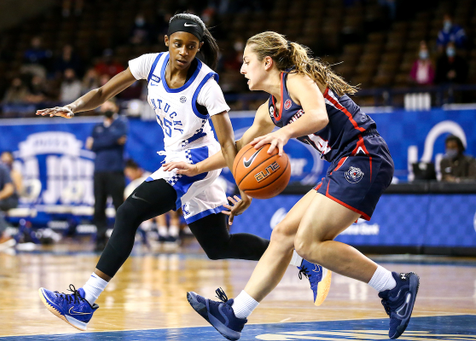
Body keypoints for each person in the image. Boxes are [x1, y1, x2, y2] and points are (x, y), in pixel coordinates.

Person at [36, 14, 318, 332]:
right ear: (167, 41)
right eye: (179, 44)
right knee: (218, 247)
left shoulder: (206, 85)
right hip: (176, 157)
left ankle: (84, 302)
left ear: (198, 49)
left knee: (129, 212)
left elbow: (227, 142)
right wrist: (73, 107)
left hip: (196, 161)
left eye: (192, 46)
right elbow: (103, 93)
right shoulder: (149, 65)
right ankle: (302, 260)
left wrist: (244, 189)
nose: (184, 51)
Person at [173, 32, 419, 340]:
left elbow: (317, 115)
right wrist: (196, 167)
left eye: (247, 62)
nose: (242, 69)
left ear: (267, 62)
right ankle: (235, 315)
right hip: (343, 164)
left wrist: (284, 134)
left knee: (308, 244)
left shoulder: (297, 80)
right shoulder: (269, 110)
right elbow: (237, 148)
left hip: (365, 156)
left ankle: (395, 287)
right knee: (283, 234)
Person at [85, 99, 128, 251]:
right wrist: (111, 140)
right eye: (104, 105)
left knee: (119, 206)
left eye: (110, 105)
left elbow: (120, 139)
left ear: (115, 107)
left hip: (115, 170)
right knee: (99, 206)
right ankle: (101, 237)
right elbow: (90, 145)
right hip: (99, 171)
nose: (107, 108)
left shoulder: (121, 123)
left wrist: (99, 142)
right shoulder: (97, 126)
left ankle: (121, 239)